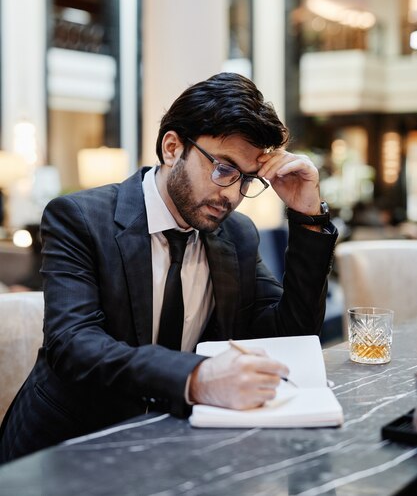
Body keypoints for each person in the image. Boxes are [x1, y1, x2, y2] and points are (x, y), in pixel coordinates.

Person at [0, 73, 337, 463]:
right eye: (223, 169)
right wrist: (197, 377)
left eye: (246, 179)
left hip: (176, 446)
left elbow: (289, 334)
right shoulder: (80, 218)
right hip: (68, 446)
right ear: (173, 147)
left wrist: (307, 216)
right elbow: (73, 346)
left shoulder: (237, 235)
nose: (232, 195)